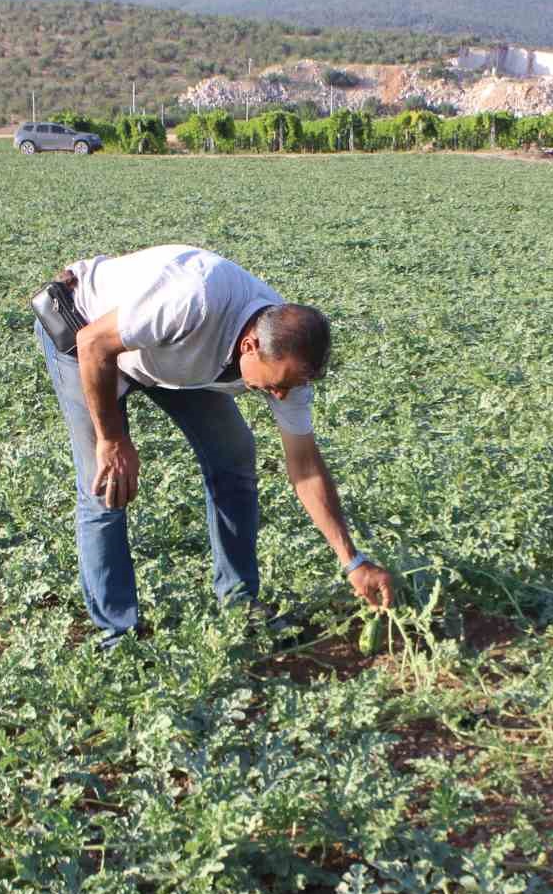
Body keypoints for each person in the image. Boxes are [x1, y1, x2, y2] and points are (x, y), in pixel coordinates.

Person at [32, 244, 394, 647]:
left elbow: (306, 468)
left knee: (234, 457)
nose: (279, 396)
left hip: (170, 357)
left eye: (288, 387)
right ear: (250, 346)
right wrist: (113, 439)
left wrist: (353, 561)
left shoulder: (290, 367)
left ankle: (239, 604)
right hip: (86, 329)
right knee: (106, 485)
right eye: (275, 385)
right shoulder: (194, 299)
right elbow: (93, 343)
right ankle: (117, 636)